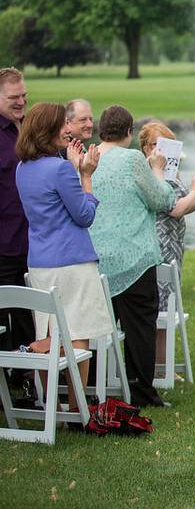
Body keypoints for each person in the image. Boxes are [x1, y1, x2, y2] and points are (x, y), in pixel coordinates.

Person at [14, 102, 111, 411]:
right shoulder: (57, 168)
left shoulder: (22, 168)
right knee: (77, 334)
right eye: (62, 126)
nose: (68, 130)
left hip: (40, 261)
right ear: (47, 131)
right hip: (71, 261)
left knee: (49, 331)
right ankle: (77, 406)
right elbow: (83, 215)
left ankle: (49, 400)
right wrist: (86, 177)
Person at [89, 105, 174, 408]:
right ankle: (141, 392)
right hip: (135, 256)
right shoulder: (133, 158)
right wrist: (159, 171)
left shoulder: (88, 158)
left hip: (97, 258)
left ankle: (94, 388)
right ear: (128, 132)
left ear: (101, 130)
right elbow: (161, 199)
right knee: (139, 327)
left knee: (98, 326)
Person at [138, 121, 195, 361]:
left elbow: (180, 208)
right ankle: (158, 364)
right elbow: (172, 209)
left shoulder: (169, 171)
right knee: (160, 306)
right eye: (156, 145)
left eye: (168, 146)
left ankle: (163, 363)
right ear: (145, 148)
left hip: (174, 243)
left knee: (169, 303)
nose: (162, 151)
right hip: (159, 242)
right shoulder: (149, 172)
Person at [0, 68, 33, 397]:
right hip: (3, 243)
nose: (21, 102)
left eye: (24, 95)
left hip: (28, 242)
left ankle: (22, 381)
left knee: (27, 318)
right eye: (13, 98)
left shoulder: (21, 130)